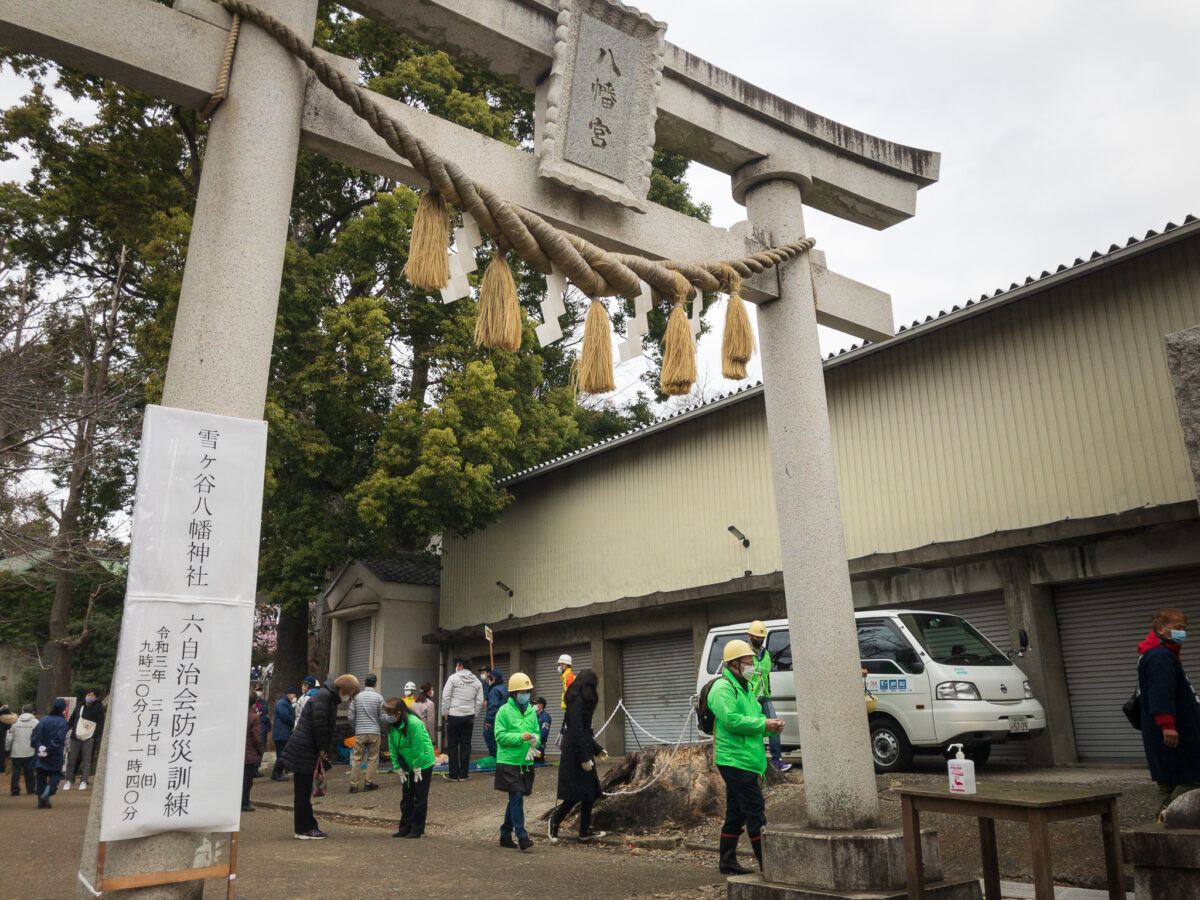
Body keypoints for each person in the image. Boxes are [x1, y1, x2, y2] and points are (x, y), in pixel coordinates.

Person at [709, 638, 784, 874]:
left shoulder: (747, 687)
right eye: (748, 661)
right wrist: (765, 725)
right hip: (734, 759)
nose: (752, 666)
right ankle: (769, 865)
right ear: (734, 664)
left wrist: (767, 724)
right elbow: (732, 721)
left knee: (737, 811)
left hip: (747, 759)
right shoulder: (722, 688)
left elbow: (751, 718)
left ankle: (727, 861)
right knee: (754, 809)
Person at [1138, 608, 1200, 818]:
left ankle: (1159, 828)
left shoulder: (1157, 653)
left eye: (1184, 628)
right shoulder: (1160, 656)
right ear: (1161, 630)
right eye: (1177, 628)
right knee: (1191, 777)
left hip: (1164, 734)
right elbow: (1160, 692)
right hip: (1174, 734)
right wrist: (1168, 725)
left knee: (1168, 783)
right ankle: (1166, 819)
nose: (1182, 633)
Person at [282, 674, 359, 839]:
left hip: (304, 748)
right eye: (350, 694)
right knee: (303, 793)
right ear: (343, 689)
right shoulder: (325, 698)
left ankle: (307, 826)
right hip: (305, 750)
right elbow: (320, 726)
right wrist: (323, 748)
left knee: (303, 792)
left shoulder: (324, 695)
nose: (348, 698)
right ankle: (304, 829)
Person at [549, 669, 607, 842]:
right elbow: (576, 730)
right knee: (573, 795)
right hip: (575, 753)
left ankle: (584, 831)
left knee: (589, 793)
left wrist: (597, 749)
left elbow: (585, 731)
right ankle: (554, 822)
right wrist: (583, 757)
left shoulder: (579, 699)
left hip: (584, 749)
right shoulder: (577, 701)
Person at [493, 672, 540, 851]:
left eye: (527, 691)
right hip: (508, 762)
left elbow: (537, 732)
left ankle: (505, 833)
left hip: (526, 762)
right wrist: (520, 737)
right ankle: (522, 835)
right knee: (516, 796)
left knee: (516, 797)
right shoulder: (503, 711)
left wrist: (536, 740)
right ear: (514, 693)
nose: (526, 694)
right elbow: (499, 736)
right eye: (522, 691)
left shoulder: (531, 711)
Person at [383, 696, 436, 838]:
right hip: (406, 762)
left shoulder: (414, 724)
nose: (387, 717)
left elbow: (418, 747)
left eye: (389, 714)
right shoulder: (391, 726)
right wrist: (398, 767)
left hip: (423, 762)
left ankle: (417, 828)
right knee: (406, 795)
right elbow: (392, 748)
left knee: (419, 796)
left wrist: (417, 766)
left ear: (399, 713)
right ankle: (404, 827)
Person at [746, 621, 790, 773]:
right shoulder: (744, 653)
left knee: (775, 726)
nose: (760, 639)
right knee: (754, 728)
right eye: (757, 637)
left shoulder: (765, 654)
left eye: (762, 637)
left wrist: (768, 692)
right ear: (750, 636)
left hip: (764, 696)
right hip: (750, 697)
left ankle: (777, 760)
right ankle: (756, 761)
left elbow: (767, 675)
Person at [442, 657, 485, 782]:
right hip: (468, 716)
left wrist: (445, 712)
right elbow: (480, 700)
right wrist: (474, 713)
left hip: (454, 715)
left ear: (460, 666)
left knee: (453, 745)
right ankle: (464, 774)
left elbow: (446, 696)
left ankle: (453, 774)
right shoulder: (477, 681)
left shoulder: (453, 678)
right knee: (466, 745)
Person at [347, 673, 385, 793]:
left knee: (357, 759)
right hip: (375, 732)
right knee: (372, 759)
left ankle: (354, 786)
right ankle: (369, 783)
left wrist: (356, 727)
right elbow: (382, 717)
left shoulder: (356, 697)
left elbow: (350, 716)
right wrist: (380, 728)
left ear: (364, 683)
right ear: (375, 684)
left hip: (360, 732)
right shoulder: (379, 698)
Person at [62, 689, 105, 791]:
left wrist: (94, 736)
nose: (90, 697)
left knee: (87, 760)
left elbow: (101, 723)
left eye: (92, 695)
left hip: (89, 738)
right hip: (75, 736)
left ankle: (84, 781)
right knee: (72, 759)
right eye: (88, 694)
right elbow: (72, 719)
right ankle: (68, 780)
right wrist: (64, 730)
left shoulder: (98, 708)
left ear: (96, 698)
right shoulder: (79, 706)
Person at [30, 698, 69, 809]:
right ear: (63, 709)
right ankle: (46, 795)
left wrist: (39, 747)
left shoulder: (44, 720)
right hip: (55, 755)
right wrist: (49, 749)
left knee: (41, 777)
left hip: (40, 754)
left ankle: (41, 802)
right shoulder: (63, 723)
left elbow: (35, 735)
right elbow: (59, 739)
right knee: (55, 776)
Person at [9, 703, 37, 796]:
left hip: (16, 751)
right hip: (30, 750)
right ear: (33, 712)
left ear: (22, 711)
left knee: (16, 771)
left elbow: (9, 737)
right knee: (29, 771)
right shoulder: (35, 722)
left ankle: (14, 789)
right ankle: (30, 789)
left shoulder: (14, 721)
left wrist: (7, 747)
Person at [243, 692, 265, 812]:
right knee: (247, 780)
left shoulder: (240, 714)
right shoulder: (254, 717)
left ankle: (241, 802)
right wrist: (260, 750)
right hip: (250, 752)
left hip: (241, 751)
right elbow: (257, 736)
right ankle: (244, 803)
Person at [272, 688, 298, 781]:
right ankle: (278, 774)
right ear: (288, 694)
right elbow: (286, 717)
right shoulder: (283, 703)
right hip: (282, 734)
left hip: (282, 733)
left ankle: (275, 773)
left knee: (281, 754)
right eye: (293, 695)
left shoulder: (285, 703)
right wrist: (294, 723)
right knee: (282, 755)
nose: (294, 697)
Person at [482, 669, 508, 760]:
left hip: (494, 720)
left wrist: (489, 721)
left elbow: (493, 707)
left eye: (490, 678)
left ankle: (497, 765)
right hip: (504, 720)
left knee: (492, 741)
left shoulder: (494, 690)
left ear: (493, 679)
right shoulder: (504, 688)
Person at [411, 682, 437, 749]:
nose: (432, 691)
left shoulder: (414, 702)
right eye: (432, 690)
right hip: (424, 733)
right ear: (428, 692)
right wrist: (433, 741)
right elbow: (431, 723)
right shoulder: (429, 704)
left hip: (413, 731)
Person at [534, 697, 551, 764]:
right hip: (530, 745)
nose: (534, 705)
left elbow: (544, 733)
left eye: (536, 703)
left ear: (541, 705)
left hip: (539, 746)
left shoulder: (545, 716)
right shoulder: (533, 715)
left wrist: (533, 738)